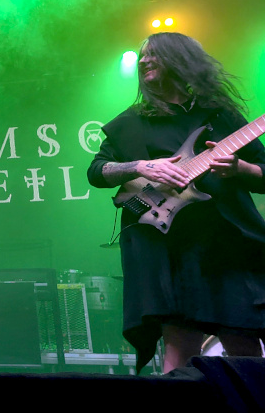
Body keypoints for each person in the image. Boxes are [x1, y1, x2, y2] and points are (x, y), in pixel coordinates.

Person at [88, 32, 265, 374]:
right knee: (180, 343)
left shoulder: (220, 115)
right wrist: (141, 166)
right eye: (141, 55)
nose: (143, 61)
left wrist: (239, 168)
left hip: (229, 245)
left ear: (178, 58)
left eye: (153, 54)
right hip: (173, 248)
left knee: (243, 341)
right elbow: (97, 171)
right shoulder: (130, 123)